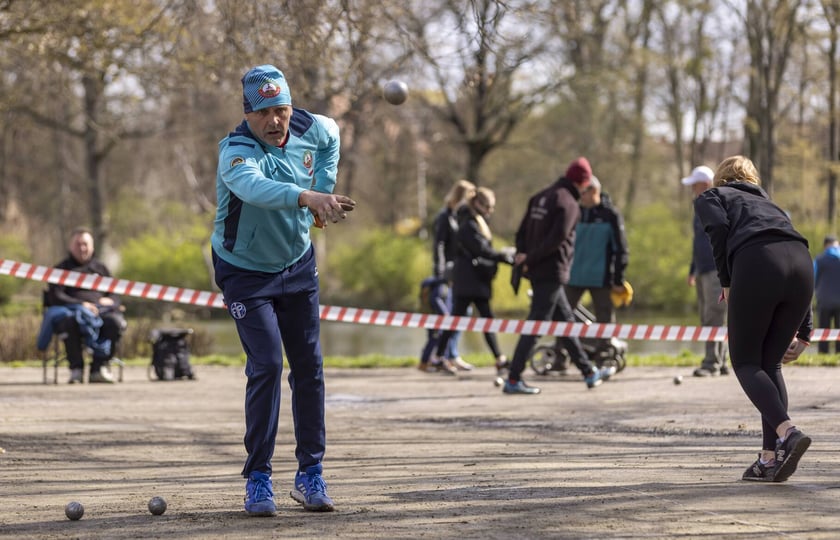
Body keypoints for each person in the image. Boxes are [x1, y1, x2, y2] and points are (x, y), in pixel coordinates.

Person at [211, 64, 356, 516]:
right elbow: (255, 188)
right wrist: (307, 197)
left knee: (309, 367)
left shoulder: (313, 127)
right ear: (247, 115)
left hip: (297, 265)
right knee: (269, 363)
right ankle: (258, 478)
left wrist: (324, 188)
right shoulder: (235, 151)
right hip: (244, 271)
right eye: (264, 113)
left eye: (282, 109)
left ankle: (310, 472)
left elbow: (332, 136)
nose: (275, 121)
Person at [694, 155, 813, 483]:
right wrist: (805, 331)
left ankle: (787, 432)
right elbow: (791, 249)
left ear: (721, 178)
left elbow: (717, 228)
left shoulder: (712, 196)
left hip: (758, 262)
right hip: (802, 265)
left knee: (745, 362)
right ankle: (769, 458)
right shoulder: (772, 205)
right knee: (770, 364)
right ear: (752, 179)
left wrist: (727, 281)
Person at [504, 157, 615, 395]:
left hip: (537, 270)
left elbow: (521, 231)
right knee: (536, 325)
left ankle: (588, 372)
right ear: (583, 182)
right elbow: (557, 239)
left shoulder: (540, 197)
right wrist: (531, 257)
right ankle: (513, 378)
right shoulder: (569, 203)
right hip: (552, 271)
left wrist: (524, 256)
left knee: (565, 323)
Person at [433, 187, 513, 371]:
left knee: (465, 319)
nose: (490, 211)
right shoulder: (468, 224)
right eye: (488, 206)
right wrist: (501, 256)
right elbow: (480, 248)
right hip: (470, 281)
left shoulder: (475, 221)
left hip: (474, 280)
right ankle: (440, 356)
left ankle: (440, 356)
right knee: (470, 319)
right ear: (477, 204)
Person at [43, 227, 126, 384]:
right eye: (78, 244)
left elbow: (115, 294)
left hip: (101, 312)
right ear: (70, 246)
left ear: (92, 246)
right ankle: (76, 370)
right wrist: (82, 305)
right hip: (72, 312)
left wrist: (111, 301)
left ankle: (99, 368)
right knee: (70, 322)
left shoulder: (101, 269)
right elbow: (56, 296)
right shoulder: (61, 269)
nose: (82, 248)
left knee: (114, 322)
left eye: (85, 244)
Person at [565, 175, 630, 334]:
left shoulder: (611, 215)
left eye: (583, 192)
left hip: (601, 279)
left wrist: (618, 279)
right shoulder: (574, 212)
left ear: (594, 191)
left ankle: (604, 354)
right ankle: (562, 353)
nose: (579, 196)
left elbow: (621, 249)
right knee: (563, 316)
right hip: (573, 276)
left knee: (605, 319)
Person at [682, 165, 729, 377]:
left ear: (707, 184)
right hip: (702, 269)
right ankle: (721, 361)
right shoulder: (698, 207)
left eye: (695, 184)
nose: (692, 188)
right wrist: (693, 270)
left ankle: (712, 363)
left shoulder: (716, 204)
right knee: (706, 316)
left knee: (714, 315)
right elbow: (697, 242)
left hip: (716, 269)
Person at [429, 179, 476, 371]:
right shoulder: (445, 216)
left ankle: (452, 354)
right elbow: (439, 243)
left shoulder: (461, 217)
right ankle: (444, 356)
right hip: (447, 271)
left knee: (464, 312)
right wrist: (440, 270)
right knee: (451, 314)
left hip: (460, 271)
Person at [813, 235, 840, 354]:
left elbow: (813, 279)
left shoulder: (819, 260)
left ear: (825, 245)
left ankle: (823, 354)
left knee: (823, 331)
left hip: (824, 300)